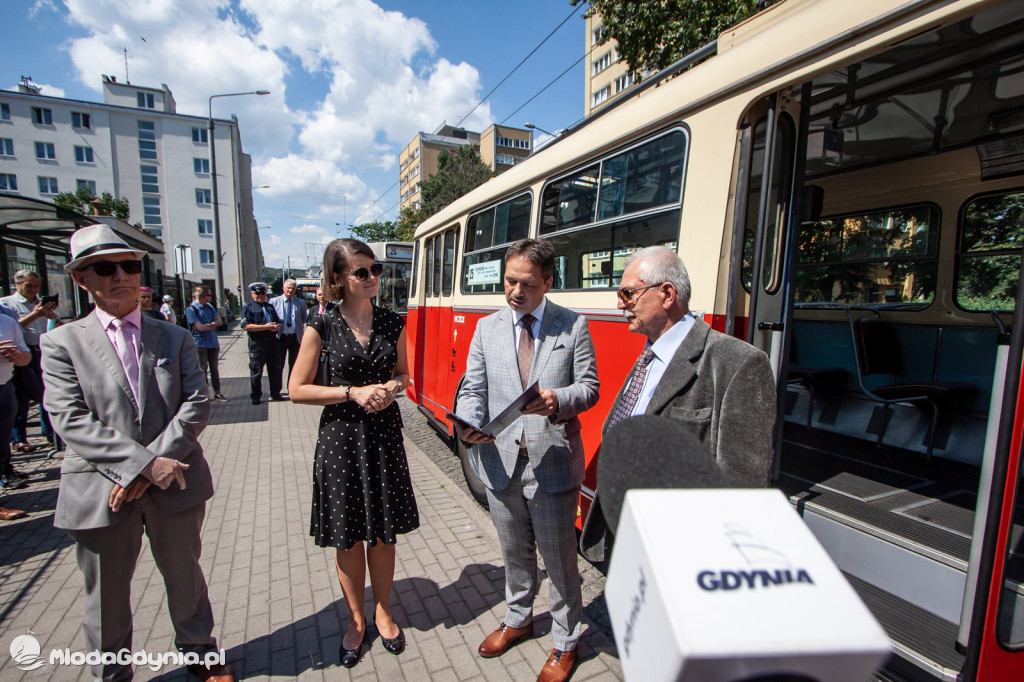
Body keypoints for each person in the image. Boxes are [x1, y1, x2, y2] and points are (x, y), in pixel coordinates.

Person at [40, 224, 233, 682]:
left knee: (186, 579)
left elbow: (197, 403)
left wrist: (154, 469)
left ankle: (201, 654)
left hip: (175, 482)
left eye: (128, 265)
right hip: (101, 490)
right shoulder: (60, 342)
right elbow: (68, 419)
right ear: (82, 279)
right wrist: (144, 465)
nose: (121, 275)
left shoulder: (174, 336)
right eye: (105, 268)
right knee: (106, 598)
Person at [455, 238, 599, 682]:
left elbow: (590, 387)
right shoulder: (487, 327)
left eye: (528, 284)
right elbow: (473, 388)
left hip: (551, 462)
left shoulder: (572, 326)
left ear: (548, 283)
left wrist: (560, 399)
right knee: (514, 554)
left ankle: (565, 641)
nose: (516, 292)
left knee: (559, 561)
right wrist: (468, 421)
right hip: (498, 462)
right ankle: (518, 618)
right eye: (510, 281)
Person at [579, 246, 776, 563]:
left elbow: (742, 492)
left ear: (666, 294)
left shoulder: (738, 363)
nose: (619, 304)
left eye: (628, 294)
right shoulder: (650, 353)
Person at [289, 238, 418, 669]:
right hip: (342, 439)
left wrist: (392, 389)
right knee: (349, 536)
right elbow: (297, 390)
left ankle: (383, 610)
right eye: (361, 272)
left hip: (383, 437)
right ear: (338, 279)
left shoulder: (391, 321)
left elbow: (404, 373)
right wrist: (351, 392)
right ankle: (356, 619)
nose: (373, 277)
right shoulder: (320, 323)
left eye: (375, 269)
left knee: (382, 533)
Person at [2, 269, 58, 457]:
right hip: (19, 354)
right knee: (21, 398)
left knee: (47, 393)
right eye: (29, 286)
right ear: (17, 284)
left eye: (36, 286)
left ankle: (50, 433)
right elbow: (15, 327)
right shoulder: (7, 304)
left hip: (42, 351)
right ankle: (18, 439)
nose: (33, 290)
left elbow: (54, 325)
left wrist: (52, 317)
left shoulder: (41, 302)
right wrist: (36, 314)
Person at [0, 311, 31, 519]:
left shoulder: (7, 321)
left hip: (4, 388)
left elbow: (26, 356)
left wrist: (18, 357)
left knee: (1, 447)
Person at [240, 283, 284, 405]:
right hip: (257, 344)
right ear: (252, 294)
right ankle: (256, 396)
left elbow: (279, 322)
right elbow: (246, 326)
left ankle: (275, 393)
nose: (260, 296)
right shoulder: (248, 307)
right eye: (257, 294)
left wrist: (277, 327)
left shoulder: (269, 307)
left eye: (262, 293)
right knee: (256, 371)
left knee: (275, 370)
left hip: (272, 342)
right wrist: (265, 327)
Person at [186, 286, 228, 402]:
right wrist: (212, 324)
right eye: (209, 295)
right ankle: (204, 393)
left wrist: (209, 325)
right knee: (202, 369)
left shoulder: (209, 307)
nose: (211, 297)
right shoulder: (191, 309)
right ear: (204, 296)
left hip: (213, 343)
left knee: (214, 368)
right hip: (200, 344)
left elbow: (219, 321)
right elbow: (199, 328)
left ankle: (217, 392)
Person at [270, 278, 307, 380]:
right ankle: (276, 391)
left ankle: (291, 389)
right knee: (278, 365)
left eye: (293, 289)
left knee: (294, 365)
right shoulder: (274, 302)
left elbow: (303, 319)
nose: (290, 290)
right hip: (280, 337)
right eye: (288, 288)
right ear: (283, 288)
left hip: (295, 338)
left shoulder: (301, 303)